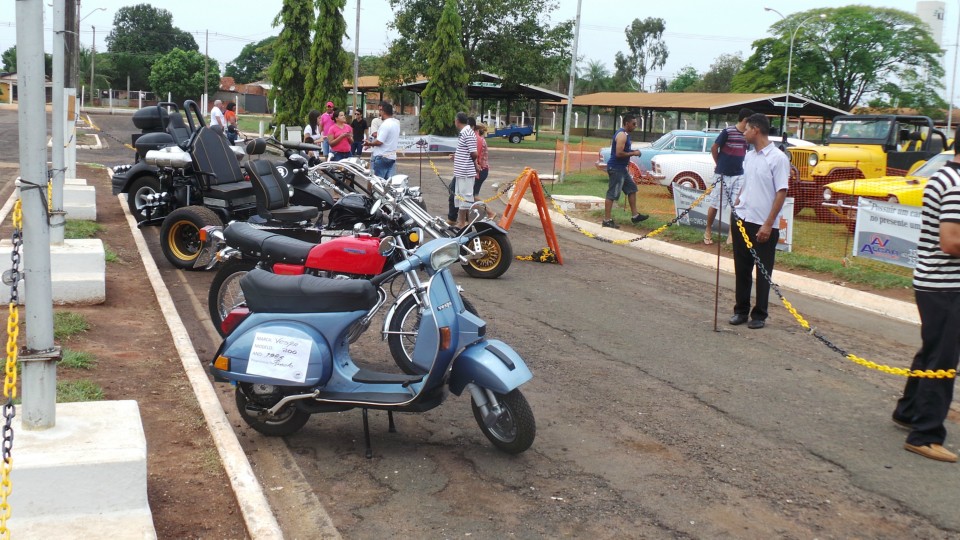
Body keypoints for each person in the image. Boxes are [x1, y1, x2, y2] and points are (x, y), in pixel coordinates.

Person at [892, 130, 960, 463]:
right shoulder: (956, 185)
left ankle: (908, 411)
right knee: (943, 360)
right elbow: (950, 241)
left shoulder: (944, 176)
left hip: (934, 282)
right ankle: (925, 435)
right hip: (946, 285)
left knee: (932, 351)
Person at [729, 113, 789, 330]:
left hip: (762, 223)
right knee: (742, 268)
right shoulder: (749, 156)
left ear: (755, 130)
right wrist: (738, 202)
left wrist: (768, 223)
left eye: (746, 129)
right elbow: (747, 183)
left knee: (763, 272)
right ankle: (741, 311)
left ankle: (759, 314)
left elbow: (781, 192)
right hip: (742, 218)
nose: (743, 133)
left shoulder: (778, 158)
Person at [704, 108, 752, 244]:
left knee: (736, 206)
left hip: (739, 174)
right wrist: (718, 163)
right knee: (715, 203)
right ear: (745, 120)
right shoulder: (728, 131)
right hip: (722, 174)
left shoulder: (748, 135)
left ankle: (731, 234)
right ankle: (708, 230)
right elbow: (714, 147)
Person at [602, 114, 648, 228]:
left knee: (632, 189)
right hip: (616, 168)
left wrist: (633, 151)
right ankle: (607, 220)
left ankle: (635, 216)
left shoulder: (625, 134)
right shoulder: (622, 135)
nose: (635, 126)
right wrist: (634, 153)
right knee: (612, 194)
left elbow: (624, 150)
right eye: (634, 124)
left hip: (621, 168)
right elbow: (619, 153)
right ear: (627, 123)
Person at [451, 111, 479, 228]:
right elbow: (467, 151)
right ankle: (462, 222)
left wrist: (467, 162)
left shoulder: (467, 133)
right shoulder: (464, 133)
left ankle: (464, 223)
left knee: (465, 197)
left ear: (457, 121)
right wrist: (458, 157)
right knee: (460, 197)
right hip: (461, 171)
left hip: (465, 171)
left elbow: (474, 153)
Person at [364, 102, 399, 179]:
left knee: (377, 182)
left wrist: (369, 144)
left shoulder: (385, 124)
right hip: (392, 156)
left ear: (383, 112)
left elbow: (379, 141)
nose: (379, 113)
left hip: (382, 156)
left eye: (380, 111)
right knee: (388, 182)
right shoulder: (396, 123)